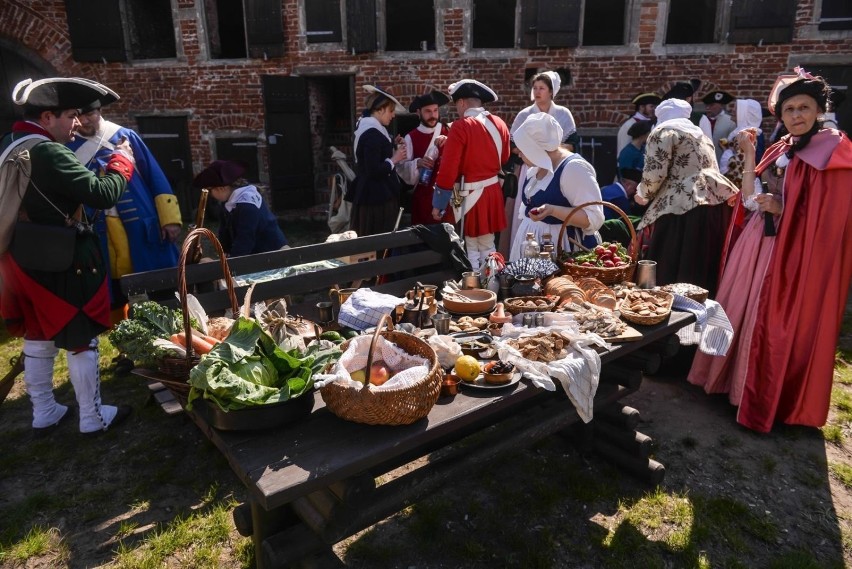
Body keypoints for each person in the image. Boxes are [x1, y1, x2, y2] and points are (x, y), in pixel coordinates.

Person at [688, 68, 852, 433]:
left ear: (819, 109)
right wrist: (749, 156)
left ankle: (762, 397)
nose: (796, 115)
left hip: (792, 258)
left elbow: (829, 223)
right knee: (736, 308)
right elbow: (749, 200)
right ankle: (726, 383)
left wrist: (784, 209)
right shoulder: (784, 147)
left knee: (770, 324)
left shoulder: (835, 152)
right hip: (757, 247)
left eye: (804, 107)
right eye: (789, 108)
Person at [0, 78, 135, 435]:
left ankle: (44, 412)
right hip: (61, 261)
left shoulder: (11, 142)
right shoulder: (48, 152)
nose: (77, 123)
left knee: (38, 335)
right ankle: (92, 417)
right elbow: (101, 194)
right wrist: (122, 163)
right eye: (71, 116)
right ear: (47, 117)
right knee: (80, 341)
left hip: (21, 258)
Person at [67, 84, 182, 323]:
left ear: (99, 112)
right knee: (112, 288)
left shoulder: (125, 136)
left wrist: (170, 219)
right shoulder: (68, 147)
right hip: (99, 228)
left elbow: (155, 176)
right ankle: (125, 341)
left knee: (159, 280)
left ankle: (176, 328)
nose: (84, 121)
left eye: (89, 114)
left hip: (141, 222)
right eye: (78, 116)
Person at [633, 98, 738, 297]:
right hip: (715, 207)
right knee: (702, 269)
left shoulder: (664, 132)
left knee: (673, 269)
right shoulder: (701, 135)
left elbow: (654, 173)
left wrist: (642, 194)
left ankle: (672, 318)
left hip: (682, 208)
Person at [432, 79, 510, 270]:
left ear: (462, 102)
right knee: (488, 244)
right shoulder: (499, 123)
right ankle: (493, 285)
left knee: (470, 246)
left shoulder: (461, 126)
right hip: (492, 191)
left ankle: (475, 290)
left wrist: (438, 203)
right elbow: (505, 158)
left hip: (469, 194)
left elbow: (448, 170)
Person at [508, 113, 603, 261]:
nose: (519, 155)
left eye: (523, 149)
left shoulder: (574, 168)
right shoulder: (537, 166)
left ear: (537, 148)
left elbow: (592, 218)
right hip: (532, 248)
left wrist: (553, 210)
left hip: (562, 248)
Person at [192, 160, 287, 256]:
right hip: (255, 254)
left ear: (221, 188)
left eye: (209, 190)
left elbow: (245, 240)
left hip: (272, 254)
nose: (210, 195)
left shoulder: (248, 205)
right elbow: (224, 231)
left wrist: (231, 264)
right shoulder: (228, 202)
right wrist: (225, 251)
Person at [348, 85, 407, 238]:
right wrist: (395, 159)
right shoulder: (371, 133)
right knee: (376, 240)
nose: (393, 115)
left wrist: (392, 144)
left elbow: (375, 153)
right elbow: (373, 170)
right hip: (375, 198)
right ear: (381, 109)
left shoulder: (373, 129)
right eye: (391, 111)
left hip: (376, 195)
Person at [396, 90, 451, 225]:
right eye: (428, 111)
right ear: (418, 112)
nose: (433, 115)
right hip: (423, 198)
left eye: (435, 110)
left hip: (446, 195)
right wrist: (418, 163)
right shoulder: (410, 137)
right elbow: (401, 169)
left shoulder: (449, 132)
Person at [510, 71, 576, 140]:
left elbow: (572, 143)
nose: (537, 92)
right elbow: (512, 143)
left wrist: (554, 149)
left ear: (551, 91)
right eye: (535, 88)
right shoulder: (524, 115)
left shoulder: (563, 113)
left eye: (541, 88)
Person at [718, 98, 763, 191]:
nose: (732, 110)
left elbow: (738, 165)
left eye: (736, 109)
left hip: (739, 188)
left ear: (744, 114)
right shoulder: (745, 133)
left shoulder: (746, 135)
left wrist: (726, 152)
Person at [702, 90, 736, 162]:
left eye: (712, 105)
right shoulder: (702, 120)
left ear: (721, 105)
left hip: (723, 162)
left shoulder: (731, 122)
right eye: (707, 105)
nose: (708, 108)